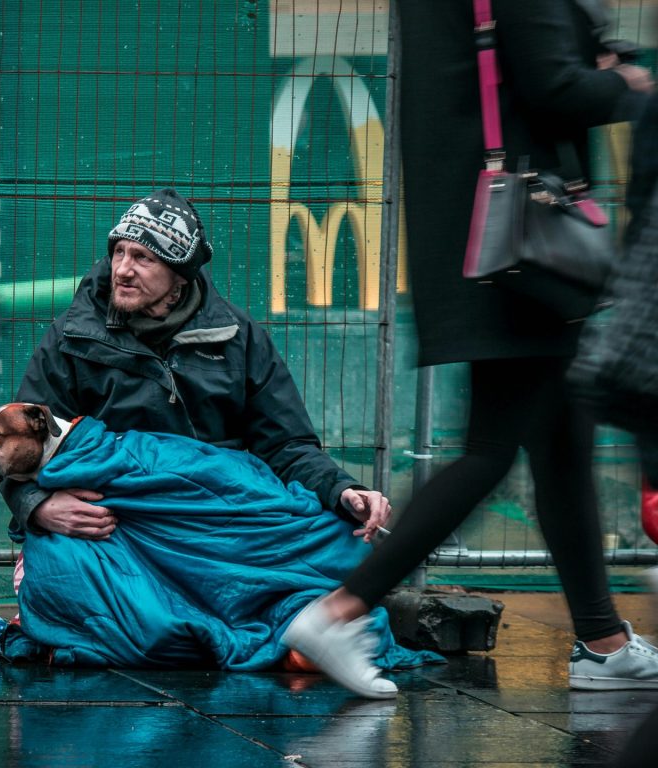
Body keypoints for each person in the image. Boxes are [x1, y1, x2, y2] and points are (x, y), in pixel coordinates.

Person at [281, 0, 657, 699]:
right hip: (525, 239)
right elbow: (553, 87)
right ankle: (340, 610)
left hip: (487, 234)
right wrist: (631, 88)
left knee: (560, 441)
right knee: (492, 447)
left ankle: (604, 644)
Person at [0, 188, 443, 679]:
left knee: (341, 543)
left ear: (179, 274)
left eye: (142, 257)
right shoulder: (70, 338)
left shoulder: (239, 336)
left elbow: (287, 445)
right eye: (119, 252)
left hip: (217, 520)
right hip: (123, 524)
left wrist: (343, 490)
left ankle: (227, 628)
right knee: (58, 565)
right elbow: (21, 447)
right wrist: (37, 505)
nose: (122, 268)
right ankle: (261, 634)